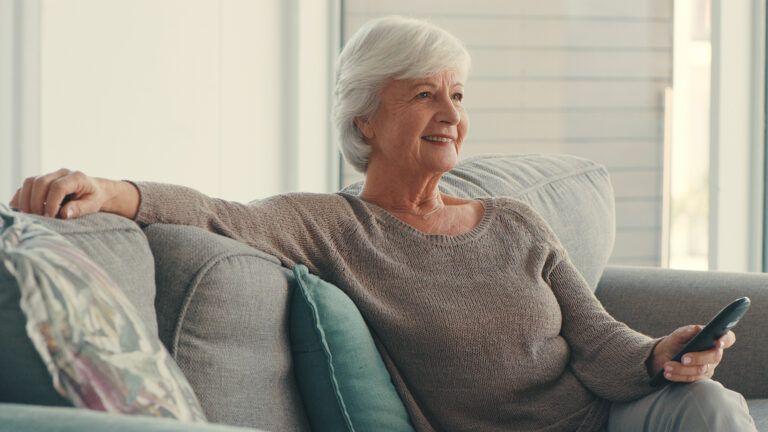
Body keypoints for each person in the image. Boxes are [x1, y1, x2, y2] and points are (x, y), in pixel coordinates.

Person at [9, 15, 756, 432]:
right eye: (424, 95)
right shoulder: (335, 227)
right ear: (365, 118)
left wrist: (663, 353)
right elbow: (214, 212)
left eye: (458, 95)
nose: (451, 114)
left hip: (601, 418)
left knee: (710, 403)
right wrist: (104, 188)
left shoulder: (516, 224)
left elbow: (598, 342)